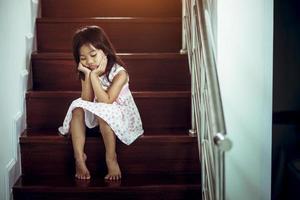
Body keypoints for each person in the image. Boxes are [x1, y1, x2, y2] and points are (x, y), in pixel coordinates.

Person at [58, 26, 144, 181]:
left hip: (120, 115)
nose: (89, 61)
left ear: (105, 51)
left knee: (104, 114)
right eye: (83, 58)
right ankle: (79, 158)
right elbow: (87, 100)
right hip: (101, 112)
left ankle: (111, 159)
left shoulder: (120, 73)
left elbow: (107, 101)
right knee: (77, 108)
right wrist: (88, 75)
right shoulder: (88, 71)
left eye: (93, 55)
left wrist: (95, 75)